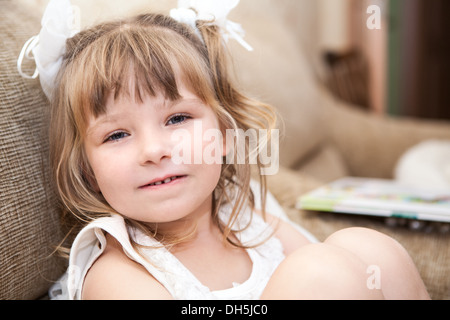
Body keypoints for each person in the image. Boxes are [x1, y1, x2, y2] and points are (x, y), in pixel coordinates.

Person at [19, 0, 429, 300]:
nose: (154, 150)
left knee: (371, 249)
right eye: (116, 135)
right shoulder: (116, 272)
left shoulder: (245, 216)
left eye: (177, 119)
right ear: (87, 171)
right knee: (317, 271)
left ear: (225, 135)